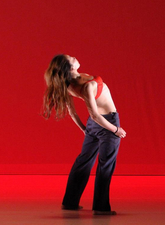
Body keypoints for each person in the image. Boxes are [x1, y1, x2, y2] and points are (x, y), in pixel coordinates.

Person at [42, 54, 127, 215]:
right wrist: (115, 130)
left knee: (84, 161)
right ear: (70, 68)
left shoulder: (67, 84)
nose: (74, 57)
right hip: (107, 121)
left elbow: (72, 113)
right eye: (70, 58)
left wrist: (84, 128)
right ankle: (101, 208)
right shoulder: (86, 86)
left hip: (94, 124)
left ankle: (70, 202)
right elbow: (95, 114)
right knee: (106, 165)